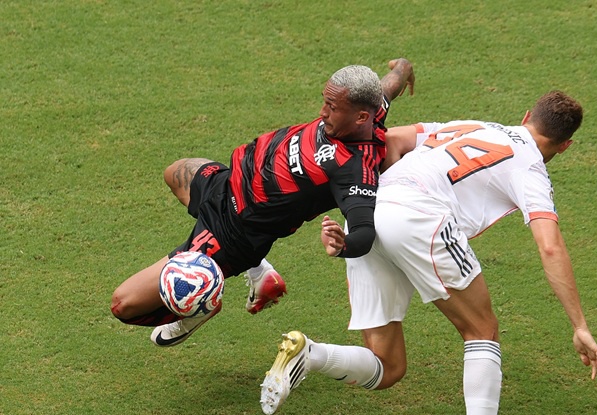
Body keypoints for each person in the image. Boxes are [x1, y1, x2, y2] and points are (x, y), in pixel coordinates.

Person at [259, 91, 597, 415]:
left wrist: (389, 206)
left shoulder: (473, 127)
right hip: (420, 217)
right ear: (565, 146)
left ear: (526, 117)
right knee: (482, 330)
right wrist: (579, 325)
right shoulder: (531, 167)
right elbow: (549, 246)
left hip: (367, 213)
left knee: (387, 367)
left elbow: (392, 139)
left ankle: (309, 353)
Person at [110, 59, 415, 347]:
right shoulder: (369, 110)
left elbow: (364, 232)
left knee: (123, 304)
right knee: (174, 173)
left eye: (332, 107)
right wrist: (402, 68)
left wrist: (343, 245)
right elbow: (388, 86)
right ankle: (259, 272)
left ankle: (203, 302)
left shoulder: (354, 170)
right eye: (324, 101)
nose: (322, 112)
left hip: (231, 234)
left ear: (361, 117)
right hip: (227, 183)